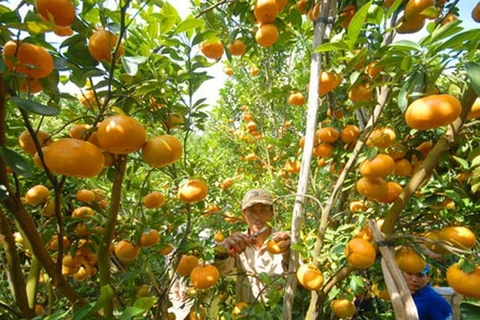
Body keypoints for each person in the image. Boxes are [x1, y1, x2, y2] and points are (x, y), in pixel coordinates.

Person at [214, 188, 291, 304]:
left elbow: (298, 278)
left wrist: (288, 257)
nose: (257, 216)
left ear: (272, 213)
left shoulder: (283, 242)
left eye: (263, 210)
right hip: (247, 312)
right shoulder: (238, 242)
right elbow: (221, 269)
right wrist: (221, 252)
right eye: (251, 211)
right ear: (244, 214)